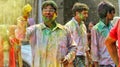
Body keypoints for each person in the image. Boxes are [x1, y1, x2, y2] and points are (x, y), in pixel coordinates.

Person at [15, 1, 77, 67]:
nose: (48, 12)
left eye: (51, 10)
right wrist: (23, 19)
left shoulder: (64, 31)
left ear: (56, 14)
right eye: (45, 10)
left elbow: (73, 47)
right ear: (42, 14)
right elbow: (20, 36)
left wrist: (68, 58)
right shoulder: (35, 30)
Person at [91, 1, 115, 67]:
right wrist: (96, 64)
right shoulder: (96, 29)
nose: (114, 15)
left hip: (114, 62)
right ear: (107, 13)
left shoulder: (112, 27)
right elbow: (94, 48)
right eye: (113, 12)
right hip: (104, 63)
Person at [65, 2, 90, 67]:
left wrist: (88, 57)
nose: (86, 15)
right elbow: (65, 45)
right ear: (77, 13)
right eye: (84, 13)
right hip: (74, 57)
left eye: (87, 13)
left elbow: (85, 43)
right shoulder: (68, 26)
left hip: (83, 56)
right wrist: (69, 60)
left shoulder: (83, 25)